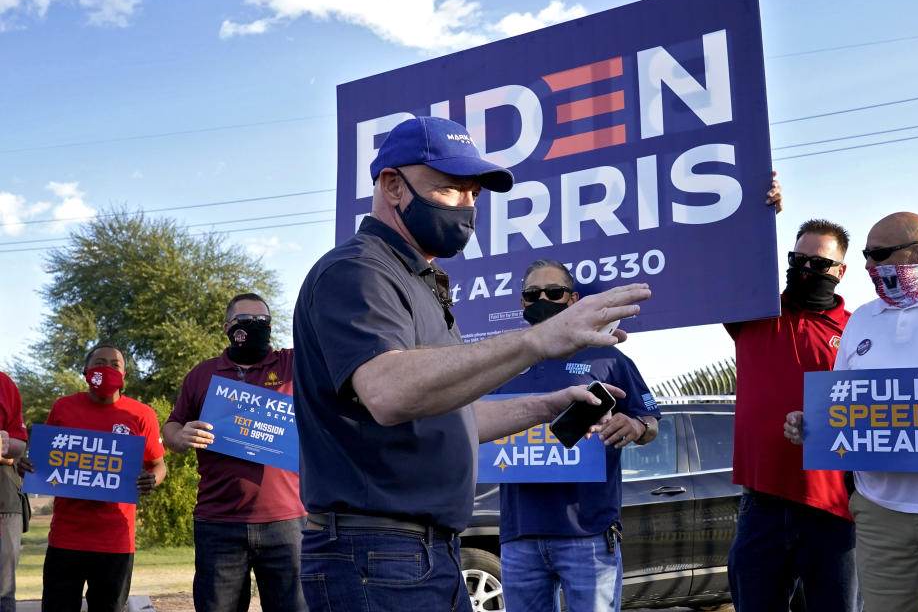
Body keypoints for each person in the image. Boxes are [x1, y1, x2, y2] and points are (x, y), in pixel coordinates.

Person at [293, 116, 652, 612]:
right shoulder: (357, 271)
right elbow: (388, 390)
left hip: (424, 552)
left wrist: (548, 405)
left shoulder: (421, 282)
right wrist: (539, 340)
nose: (466, 207)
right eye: (449, 191)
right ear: (393, 186)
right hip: (375, 553)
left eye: (474, 195)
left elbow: (454, 417)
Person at [785, 212, 918, 612]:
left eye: (879, 255)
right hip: (880, 513)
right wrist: (811, 423)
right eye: (866, 255)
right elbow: (842, 403)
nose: (867, 266)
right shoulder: (862, 319)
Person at [493, 259, 661, 612]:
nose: (543, 299)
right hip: (518, 535)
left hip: (589, 532)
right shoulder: (501, 361)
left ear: (573, 300)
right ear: (522, 303)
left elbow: (650, 420)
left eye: (553, 292)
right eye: (532, 293)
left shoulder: (609, 358)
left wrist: (636, 426)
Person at [726, 218, 860, 612]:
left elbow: (872, 410)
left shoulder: (857, 331)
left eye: (819, 264)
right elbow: (726, 258)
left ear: (840, 272)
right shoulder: (755, 309)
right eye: (797, 259)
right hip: (761, 506)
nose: (805, 270)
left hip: (834, 509)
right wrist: (757, 208)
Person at [163, 293, 306, 612]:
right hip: (218, 524)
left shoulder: (293, 364)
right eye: (247, 322)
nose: (256, 327)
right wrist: (181, 435)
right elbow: (171, 427)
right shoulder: (202, 374)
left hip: (287, 522)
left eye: (263, 322)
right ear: (228, 327)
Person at [40, 344, 165, 612]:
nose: (106, 369)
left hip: (116, 540)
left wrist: (152, 479)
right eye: (99, 363)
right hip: (66, 536)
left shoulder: (141, 414)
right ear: (86, 371)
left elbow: (158, 465)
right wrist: (29, 466)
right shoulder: (63, 407)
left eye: (114, 365)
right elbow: (44, 462)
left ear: (124, 375)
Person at [0, 371, 27, 612]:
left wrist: (7, 443)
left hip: (4, 501)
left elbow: (19, 442)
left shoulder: (3, 383)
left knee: (3, 590)